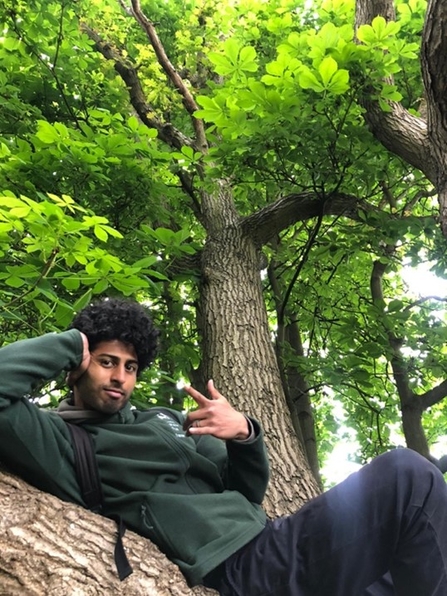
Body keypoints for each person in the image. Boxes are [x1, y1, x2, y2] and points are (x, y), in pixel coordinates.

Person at [0, 298, 446, 596]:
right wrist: (71, 341)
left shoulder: (166, 419)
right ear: (78, 367)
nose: (120, 377)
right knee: (408, 476)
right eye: (106, 362)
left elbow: (246, 492)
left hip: (274, 543)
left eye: (131, 366)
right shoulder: (60, 438)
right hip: (240, 570)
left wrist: (245, 438)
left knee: (421, 531)